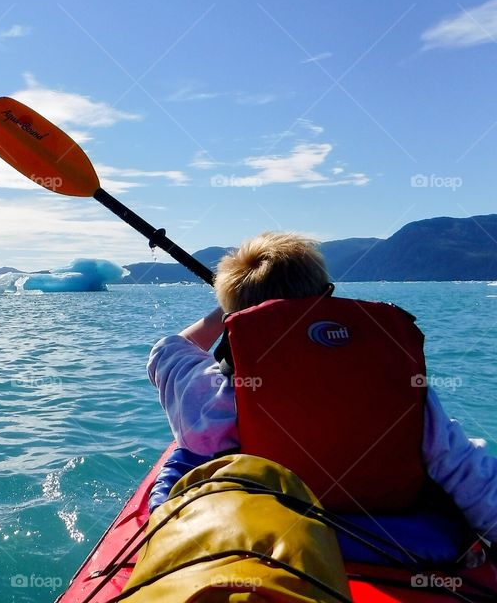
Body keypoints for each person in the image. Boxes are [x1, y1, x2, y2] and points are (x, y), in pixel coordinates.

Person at [148, 231, 497, 540]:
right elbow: (463, 468)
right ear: (327, 296)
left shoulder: (218, 394)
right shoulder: (397, 382)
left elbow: (168, 352)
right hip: (397, 541)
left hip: (272, 542)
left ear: (232, 315)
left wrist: (227, 313)